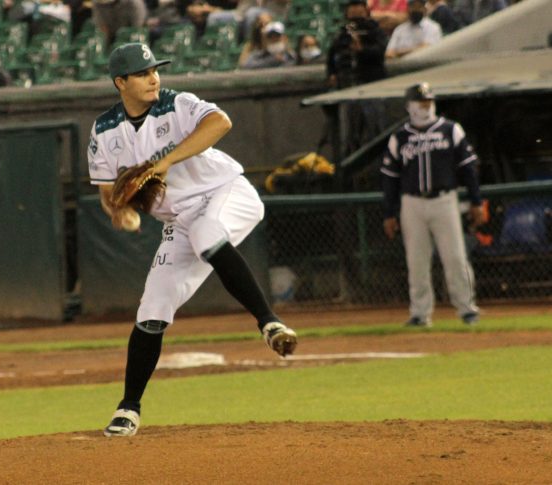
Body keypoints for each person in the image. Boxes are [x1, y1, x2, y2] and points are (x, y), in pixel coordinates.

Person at [87, 42, 298, 437]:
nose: (153, 78)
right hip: (180, 220)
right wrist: (122, 212)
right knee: (153, 305)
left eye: (155, 70)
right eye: (142, 73)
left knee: (207, 234)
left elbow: (221, 123)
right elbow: (108, 194)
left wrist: (162, 163)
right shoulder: (104, 130)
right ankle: (128, 409)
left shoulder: (176, 103)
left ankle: (269, 323)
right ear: (121, 82)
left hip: (226, 192)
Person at [380, 82, 483, 326]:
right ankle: (420, 313)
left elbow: (468, 169)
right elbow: (390, 178)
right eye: (421, 103)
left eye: (428, 102)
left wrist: (476, 200)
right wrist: (390, 213)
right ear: (409, 106)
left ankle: (467, 308)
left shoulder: (450, 130)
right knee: (416, 261)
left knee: (455, 257)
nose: (426, 107)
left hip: (445, 199)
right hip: (412, 202)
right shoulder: (400, 137)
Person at [326, 0, 388, 155]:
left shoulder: (374, 31)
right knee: (349, 132)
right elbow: (332, 55)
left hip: (371, 86)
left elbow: (380, 53)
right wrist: (332, 73)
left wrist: (362, 49)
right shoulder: (343, 34)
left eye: (358, 9)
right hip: (348, 87)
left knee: (376, 128)